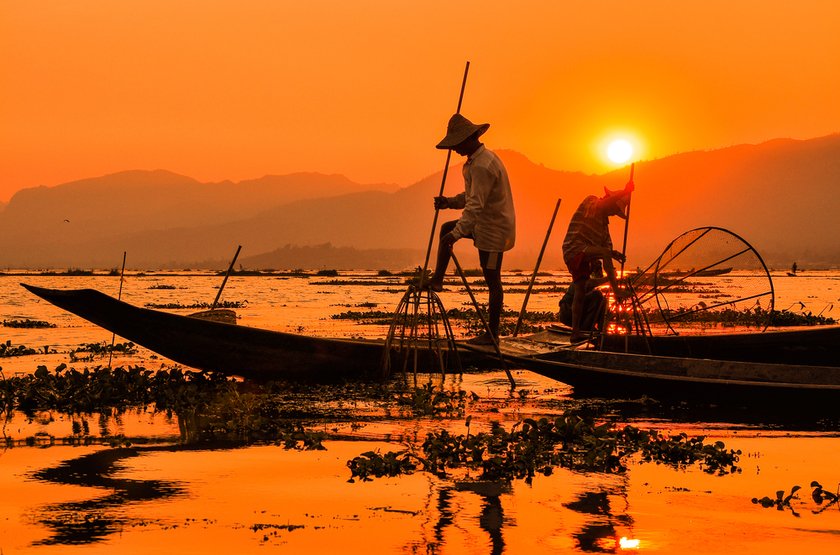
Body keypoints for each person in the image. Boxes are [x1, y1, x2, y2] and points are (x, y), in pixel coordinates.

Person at [428, 113, 516, 345]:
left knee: (492, 279)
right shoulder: (476, 162)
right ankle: (438, 279)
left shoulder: (482, 166)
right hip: (482, 225)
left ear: (469, 139)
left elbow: (476, 205)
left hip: (494, 231)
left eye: (457, 144)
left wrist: (457, 234)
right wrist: (449, 202)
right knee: (447, 227)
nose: (455, 149)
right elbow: (471, 197)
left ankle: (492, 334)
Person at [561, 179, 633, 342]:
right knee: (582, 286)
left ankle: (576, 333)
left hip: (585, 254)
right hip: (573, 248)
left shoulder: (603, 227)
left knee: (580, 291)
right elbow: (604, 252)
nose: (613, 213)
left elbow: (607, 248)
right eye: (614, 209)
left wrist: (615, 254)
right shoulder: (592, 202)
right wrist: (624, 190)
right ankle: (617, 290)